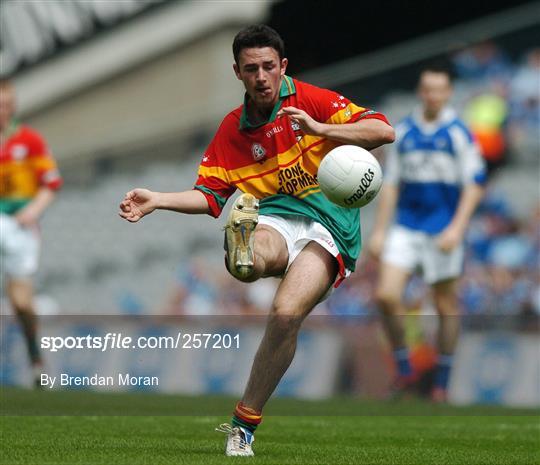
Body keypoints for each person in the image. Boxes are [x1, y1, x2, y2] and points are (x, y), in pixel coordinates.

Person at [119, 24, 394, 456]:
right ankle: (242, 249)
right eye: (251, 69)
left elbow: (383, 131)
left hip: (331, 230)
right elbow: (210, 196)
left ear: (283, 66)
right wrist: (158, 200)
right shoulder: (233, 129)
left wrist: (321, 129)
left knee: (285, 314)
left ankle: (244, 424)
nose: (261, 76)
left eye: (269, 66)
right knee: (255, 253)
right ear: (238, 73)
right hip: (278, 217)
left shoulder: (311, 100)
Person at [368, 65, 486, 403]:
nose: (432, 95)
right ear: (421, 92)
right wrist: (379, 231)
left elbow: (475, 185)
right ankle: (404, 367)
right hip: (406, 226)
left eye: (439, 89)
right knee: (386, 296)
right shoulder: (404, 132)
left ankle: (442, 381)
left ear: (448, 93)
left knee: (446, 304)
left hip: (442, 229)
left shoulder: (459, 132)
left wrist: (457, 228)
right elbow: (390, 185)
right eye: (427, 89)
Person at [0, 79, 62, 387]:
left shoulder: (30, 141)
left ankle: (35, 357)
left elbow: (51, 183)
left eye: (7, 105)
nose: (3, 111)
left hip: (20, 224)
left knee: (21, 303)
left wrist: (33, 212)